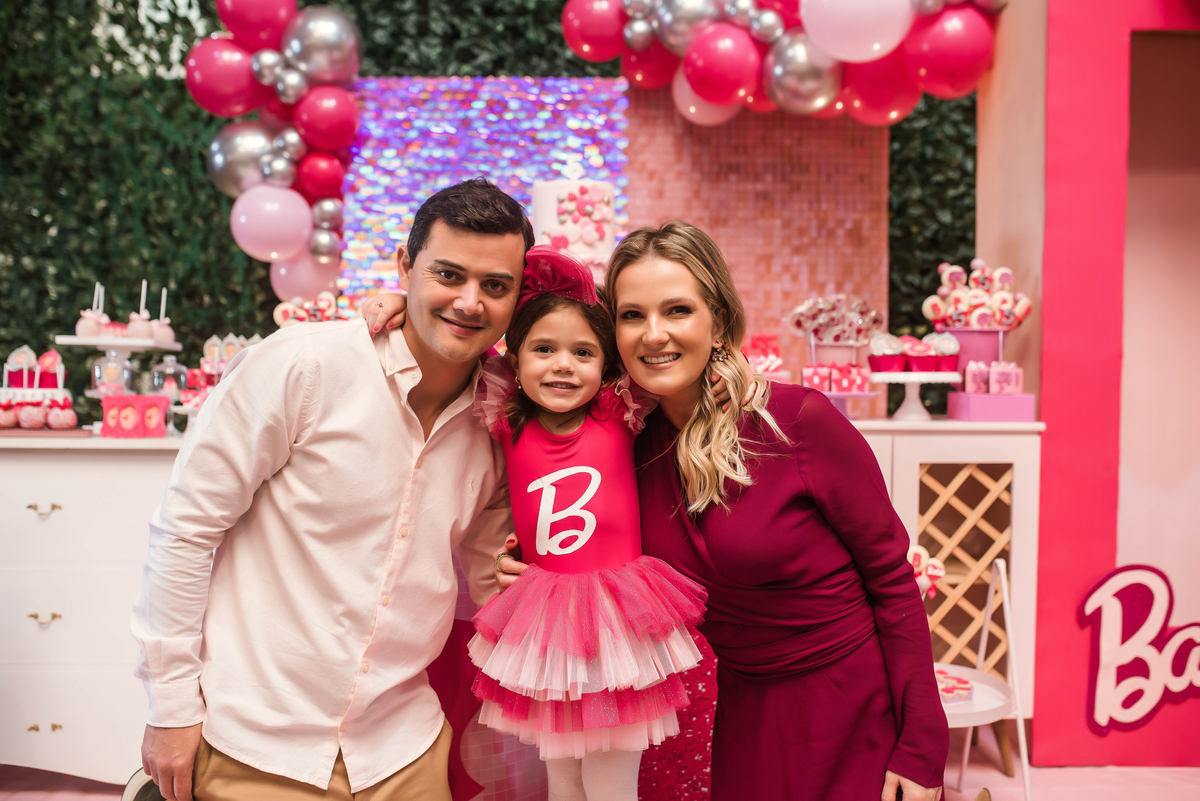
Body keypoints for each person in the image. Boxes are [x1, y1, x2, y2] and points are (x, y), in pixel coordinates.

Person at [365, 221, 949, 800]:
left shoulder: (798, 422)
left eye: (677, 311)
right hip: (744, 713)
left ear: (718, 320)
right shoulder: (628, 440)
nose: (653, 334)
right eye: (632, 315)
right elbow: (523, 359)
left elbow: (893, 582)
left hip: (852, 707)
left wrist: (921, 749)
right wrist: (411, 306)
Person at [131, 178, 530, 801]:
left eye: (496, 286)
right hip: (256, 740)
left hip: (404, 746)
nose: (470, 302)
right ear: (405, 267)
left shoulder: (502, 416)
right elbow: (185, 531)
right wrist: (172, 707)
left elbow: (488, 582)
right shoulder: (305, 365)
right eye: (448, 275)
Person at [465, 246, 706, 801]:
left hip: (617, 615)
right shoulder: (506, 414)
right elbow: (466, 344)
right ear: (515, 359)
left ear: (606, 364)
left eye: (582, 352)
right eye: (543, 349)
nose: (562, 365)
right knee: (563, 776)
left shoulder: (616, 409)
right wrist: (395, 302)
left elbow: (673, 365)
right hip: (545, 613)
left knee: (610, 781)